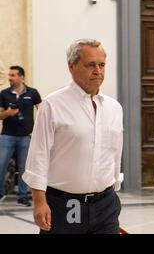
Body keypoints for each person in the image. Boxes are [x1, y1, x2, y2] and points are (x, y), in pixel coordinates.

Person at [23, 39, 124, 234]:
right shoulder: (53, 105)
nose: (98, 71)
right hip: (64, 206)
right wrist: (39, 202)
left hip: (105, 206)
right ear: (71, 66)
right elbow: (38, 156)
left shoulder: (114, 108)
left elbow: (115, 153)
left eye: (102, 65)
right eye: (90, 65)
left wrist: (114, 188)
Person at [0, 66, 42, 206]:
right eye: (10, 75)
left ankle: (23, 196)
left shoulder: (33, 93)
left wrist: (36, 131)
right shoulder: (4, 94)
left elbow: (42, 111)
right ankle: (1, 193)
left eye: (13, 75)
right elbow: (0, 114)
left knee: (24, 168)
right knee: (1, 165)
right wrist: (8, 113)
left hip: (26, 137)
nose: (10, 78)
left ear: (21, 77)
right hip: (7, 136)